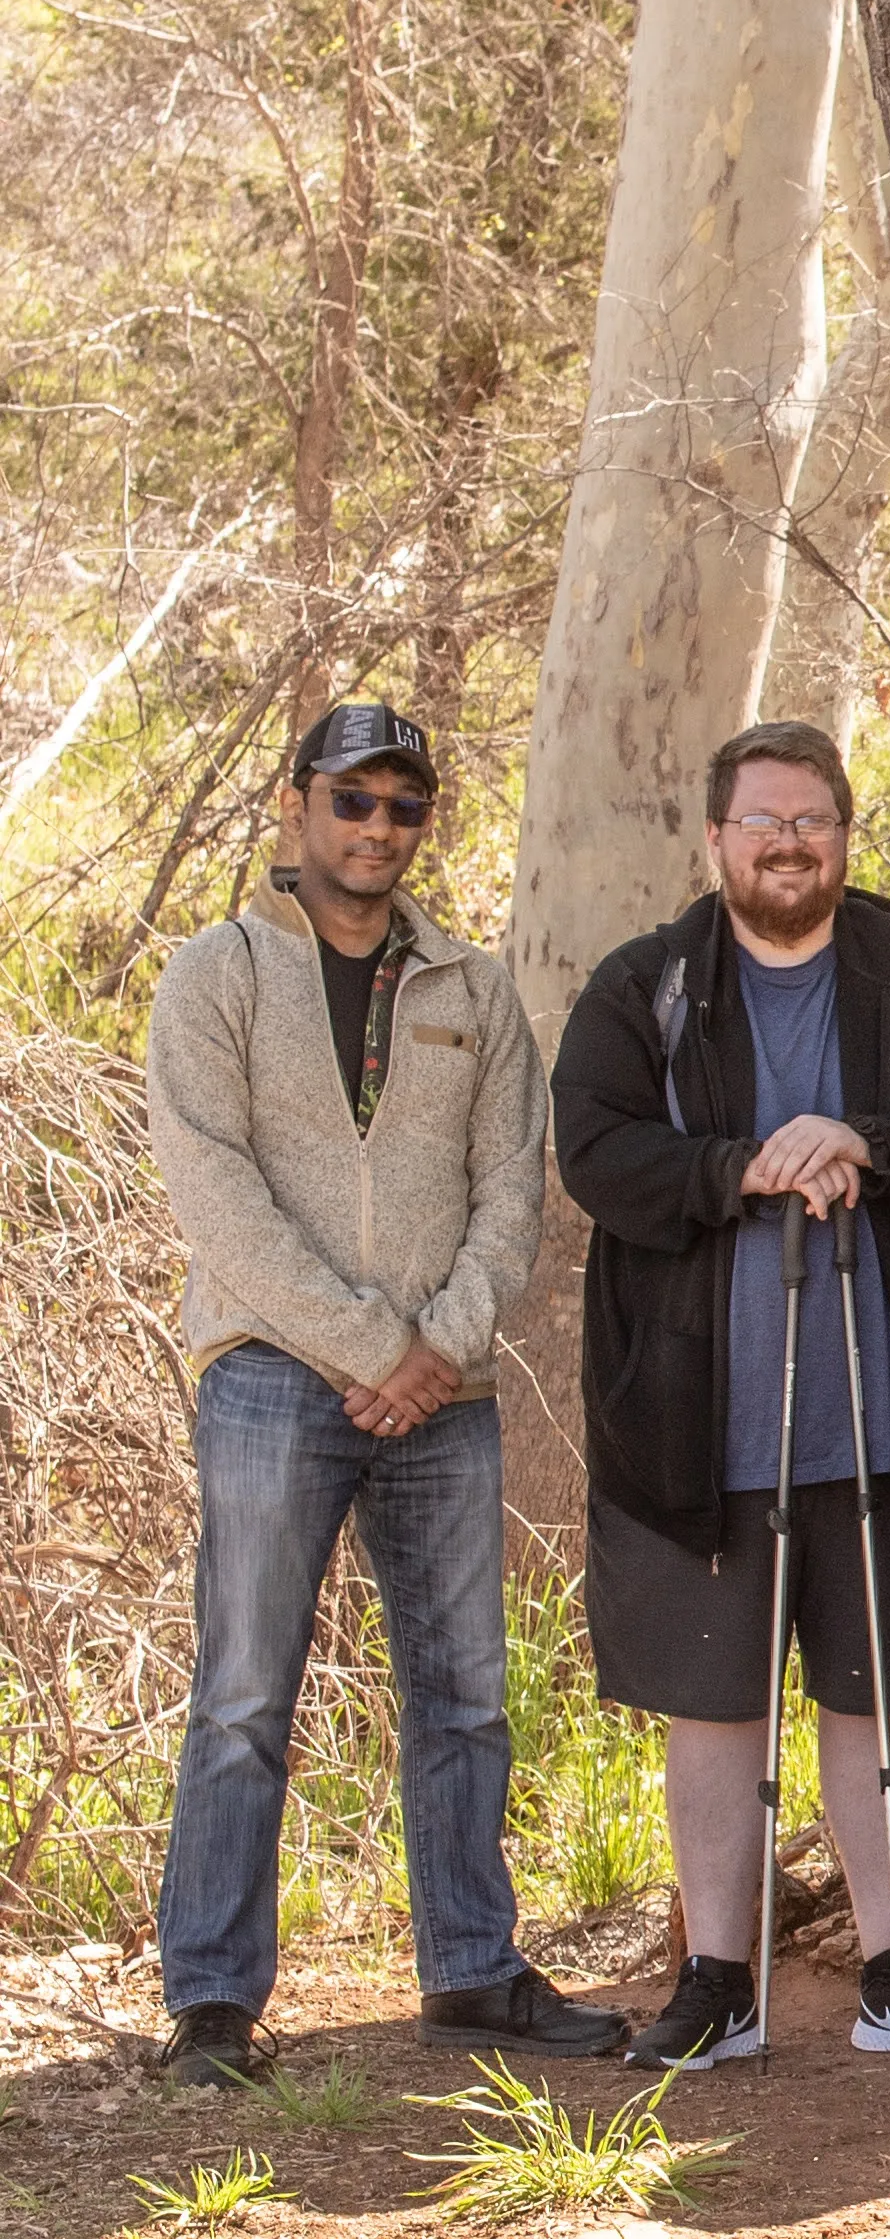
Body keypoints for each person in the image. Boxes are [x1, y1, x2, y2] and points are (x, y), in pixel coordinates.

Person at [144, 702, 615, 2089]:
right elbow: (216, 1192)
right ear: (296, 805)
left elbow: (507, 1193)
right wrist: (365, 1343)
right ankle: (214, 1999)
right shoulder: (214, 974)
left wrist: (441, 1343)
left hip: (445, 1391)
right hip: (271, 1377)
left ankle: (471, 1965)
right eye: (352, 800)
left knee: (463, 1689)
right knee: (243, 1689)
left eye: (404, 806)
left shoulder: (471, 986)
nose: (377, 828)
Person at [551, 718, 890, 2070]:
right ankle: (719, 1975)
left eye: (811, 819)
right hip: (696, 1423)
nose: (786, 842)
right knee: (715, 1703)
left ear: (843, 831)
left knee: (880, 1696)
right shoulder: (642, 986)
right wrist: (740, 1168)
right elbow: (594, 1149)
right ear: (716, 838)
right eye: (761, 820)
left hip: (887, 1414)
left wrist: (867, 1139)